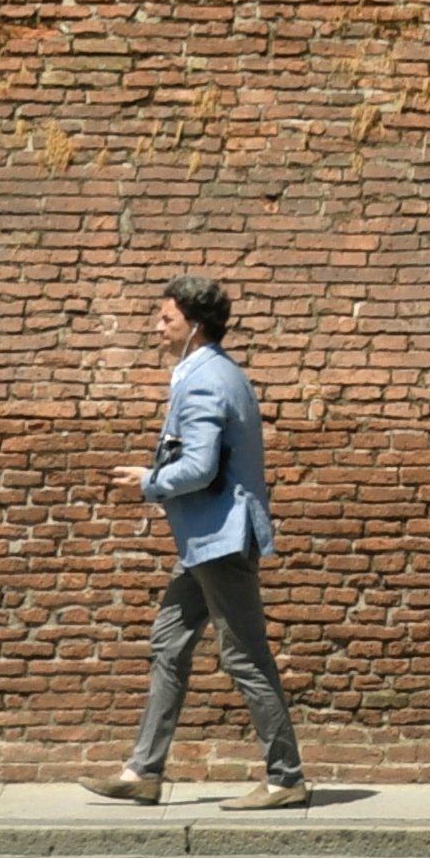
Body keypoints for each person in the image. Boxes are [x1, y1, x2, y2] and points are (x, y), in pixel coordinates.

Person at [93, 279, 308, 805]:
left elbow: (199, 466)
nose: (156, 326)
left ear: (195, 325)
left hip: (220, 539)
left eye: (166, 319)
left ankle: (285, 777)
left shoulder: (205, 380)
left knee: (244, 657)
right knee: (170, 641)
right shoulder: (210, 373)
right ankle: (144, 771)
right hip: (205, 540)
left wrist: (149, 481)